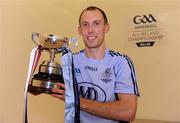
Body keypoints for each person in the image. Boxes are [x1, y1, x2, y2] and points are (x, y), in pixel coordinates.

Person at [51, 6, 140, 123]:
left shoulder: (120, 62)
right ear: (79, 30)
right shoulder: (70, 61)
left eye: (96, 23)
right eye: (85, 24)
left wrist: (78, 101)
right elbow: (55, 87)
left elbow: (128, 112)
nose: (90, 30)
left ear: (106, 28)